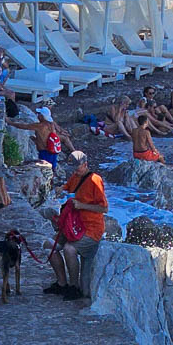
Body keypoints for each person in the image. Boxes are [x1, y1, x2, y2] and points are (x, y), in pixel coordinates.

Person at [46, 150, 108, 301]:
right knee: (49, 246)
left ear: (85, 164)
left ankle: (74, 287)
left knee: (69, 249)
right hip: (74, 225)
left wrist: (82, 205)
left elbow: (104, 208)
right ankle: (62, 283)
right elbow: (69, 186)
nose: (75, 170)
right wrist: (61, 189)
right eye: (73, 168)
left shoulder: (95, 180)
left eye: (77, 167)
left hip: (91, 229)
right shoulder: (76, 176)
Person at [26, 107, 73, 173]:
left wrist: (12, 123)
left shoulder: (41, 125)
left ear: (42, 116)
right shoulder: (50, 123)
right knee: (52, 165)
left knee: (45, 167)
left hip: (46, 149)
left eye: (39, 114)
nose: (37, 115)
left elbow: (42, 138)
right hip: (52, 146)